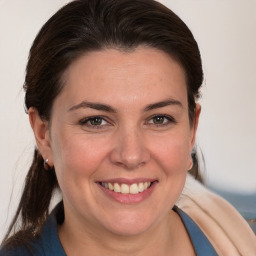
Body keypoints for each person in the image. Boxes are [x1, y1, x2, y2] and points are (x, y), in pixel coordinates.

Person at [0, 0, 255, 255]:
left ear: (191, 130)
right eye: (96, 121)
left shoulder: (242, 241)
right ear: (43, 135)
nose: (131, 156)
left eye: (159, 119)